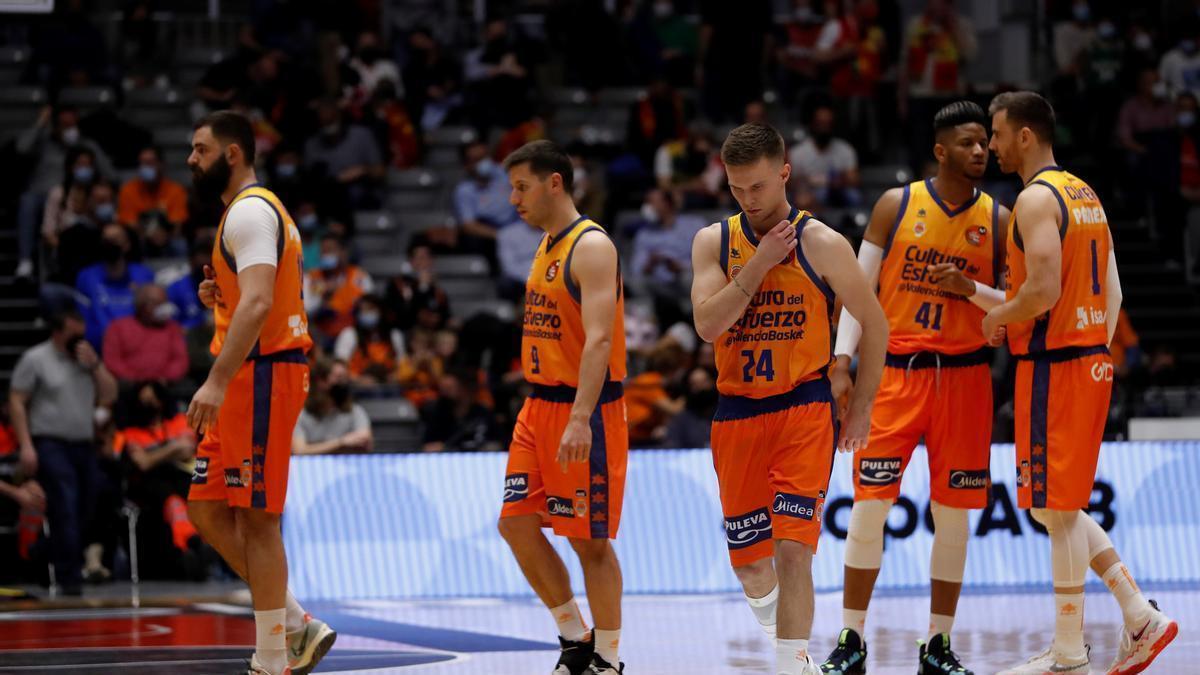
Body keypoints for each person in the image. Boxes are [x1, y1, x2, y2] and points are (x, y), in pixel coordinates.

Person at [986, 91, 1177, 675]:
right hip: (1089, 359)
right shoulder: (1084, 193)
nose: (990, 145)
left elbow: (1041, 290)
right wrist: (1093, 341)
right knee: (1054, 508)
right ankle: (1136, 611)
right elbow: (1114, 292)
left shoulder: (1035, 199)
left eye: (996, 133)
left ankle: (1069, 651)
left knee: (1055, 508)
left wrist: (1000, 315)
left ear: (1024, 135)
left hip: (1057, 365)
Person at [688, 122, 886, 675]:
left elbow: (875, 324)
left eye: (758, 187)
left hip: (804, 408)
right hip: (736, 414)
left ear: (784, 173)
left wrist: (862, 407)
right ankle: (794, 656)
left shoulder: (821, 241)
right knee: (752, 568)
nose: (749, 200)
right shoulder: (713, 241)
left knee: (793, 550)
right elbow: (707, 326)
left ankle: (789, 664)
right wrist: (759, 263)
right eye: (736, 189)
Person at [819, 101, 1008, 675]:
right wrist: (841, 361)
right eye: (968, 143)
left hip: (967, 378)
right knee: (869, 510)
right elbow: (858, 288)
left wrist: (968, 287)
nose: (980, 151)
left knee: (954, 516)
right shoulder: (895, 205)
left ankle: (938, 644)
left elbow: (1015, 307)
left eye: (984, 142)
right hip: (896, 374)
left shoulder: (1001, 220)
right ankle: (851, 638)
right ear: (940, 150)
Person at [183, 111, 336, 675]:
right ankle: (295, 622)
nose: (190, 159)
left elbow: (258, 304)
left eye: (199, 150)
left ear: (231, 154)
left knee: (258, 519)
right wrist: (219, 295)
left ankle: (272, 659)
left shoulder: (249, 210)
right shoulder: (247, 213)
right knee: (204, 508)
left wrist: (216, 380)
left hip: (262, 374)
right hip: (252, 371)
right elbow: (247, 295)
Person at [497, 140, 629, 675]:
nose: (513, 200)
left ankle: (609, 659)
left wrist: (579, 416)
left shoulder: (592, 246)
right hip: (538, 406)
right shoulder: (547, 243)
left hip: (585, 410)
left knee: (588, 542)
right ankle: (575, 635)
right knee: (516, 524)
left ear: (555, 182)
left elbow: (599, 341)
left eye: (521, 187)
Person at [8, 309, 118, 595]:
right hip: (50, 442)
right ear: (58, 332)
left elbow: (110, 394)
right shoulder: (36, 359)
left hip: (83, 444)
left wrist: (96, 366)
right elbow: (17, 401)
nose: (79, 339)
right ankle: (71, 580)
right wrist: (27, 444)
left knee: (87, 507)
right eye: (74, 333)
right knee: (66, 505)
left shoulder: (86, 360)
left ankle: (43, 552)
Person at [74, 223, 155, 349]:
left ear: (127, 245)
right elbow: (84, 319)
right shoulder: (86, 277)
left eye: (116, 239)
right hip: (101, 346)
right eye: (106, 240)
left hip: (139, 347)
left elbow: (151, 315)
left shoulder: (144, 275)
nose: (110, 244)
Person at [102, 284, 189, 385]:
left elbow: (180, 361)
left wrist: (160, 380)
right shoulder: (117, 328)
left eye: (166, 302)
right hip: (129, 386)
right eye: (159, 304)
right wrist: (139, 381)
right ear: (145, 306)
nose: (165, 308)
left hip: (166, 386)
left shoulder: (172, 328)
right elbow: (113, 362)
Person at [788, 103, 862, 210]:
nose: (824, 128)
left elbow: (854, 179)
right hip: (810, 192)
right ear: (812, 124)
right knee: (802, 199)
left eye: (828, 124)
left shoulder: (845, 149)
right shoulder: (798, 152)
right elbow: (791, 183)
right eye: (820, 123)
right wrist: (806, 182)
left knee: (854, 196)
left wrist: (839, 180)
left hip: (838, 192)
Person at [292, 359, 373, 456]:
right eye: (338, 377)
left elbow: (365, 441)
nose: (343, 383)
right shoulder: (301, 414)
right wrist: (341, 442)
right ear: (321, 381)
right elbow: (300, 451)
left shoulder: (354, 411)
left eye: (345, 378)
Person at [304, 234, 374, 342]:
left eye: (330, 250)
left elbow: (371, 308)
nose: (326, 254)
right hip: (319, 336)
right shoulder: (311, 278)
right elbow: (306, 311)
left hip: (352, 335)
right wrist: (323, 297)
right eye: (324, 251)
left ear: (343, 252)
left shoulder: (360, 277)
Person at [333, 294, 406, 387]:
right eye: (362, 310)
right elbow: (339, 367)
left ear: (381, 311)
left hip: (389, 388)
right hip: (356, 388)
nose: (366, 313)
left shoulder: (394, 335)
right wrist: (358, 380)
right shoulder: (349, 335)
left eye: (370, 309)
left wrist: (395, 377)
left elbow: (403, 365)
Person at [117, 145, 189, 232]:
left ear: (161, 164)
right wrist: (150, 233)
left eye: (150, 163)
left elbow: (177, 224)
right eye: (142, 163)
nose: (145, 167)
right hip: (139, 238)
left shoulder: (176, 190)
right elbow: (129, 222)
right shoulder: (128, 190)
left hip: (167, 238)